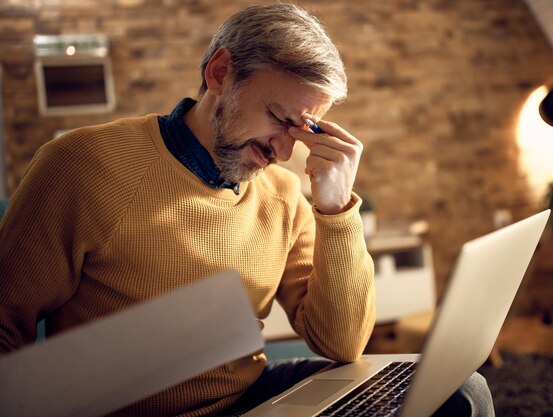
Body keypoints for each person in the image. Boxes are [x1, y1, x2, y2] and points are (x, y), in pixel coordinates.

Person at [0, 4, 494, 416]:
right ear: (220, 73)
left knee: (462, 391)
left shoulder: (281, 195)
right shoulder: (84, 165)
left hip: (250, 398)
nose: (284, 152)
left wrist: (337, 208)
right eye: (280, 120)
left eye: (304, 131)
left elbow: (341, 345)